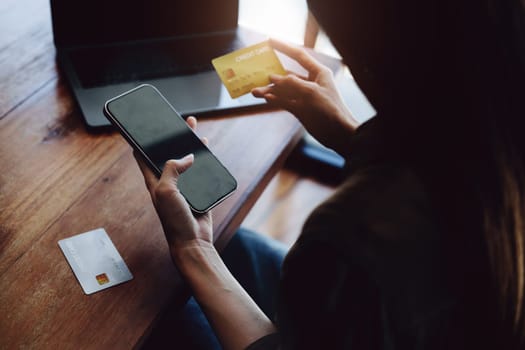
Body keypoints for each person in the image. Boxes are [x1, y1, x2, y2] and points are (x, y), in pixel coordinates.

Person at [136, 0, 525, 348]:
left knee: (153, 315)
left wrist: (194, 250)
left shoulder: (357, 235)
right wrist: (353, 137)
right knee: (237, 244)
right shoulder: (497, 141)